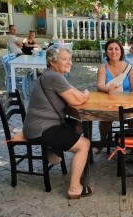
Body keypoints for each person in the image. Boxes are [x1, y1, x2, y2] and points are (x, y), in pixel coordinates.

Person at [22, 45, 92, 199]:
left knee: (79, 126)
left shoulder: (52, 75)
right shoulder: (54, 77)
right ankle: (75, 188)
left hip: (40, 125)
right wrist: (86, 93)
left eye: (69, 59)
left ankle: (53, 148)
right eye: (64, 59)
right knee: (84, 144)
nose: (69, 62)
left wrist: (81, 94)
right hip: (41, 129)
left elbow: (75, 92)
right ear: (52, 62)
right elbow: (79, 99)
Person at [96, 39, 133, 153]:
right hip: (109, 103)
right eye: (110, 49)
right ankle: (102, 141)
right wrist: (108, 89)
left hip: (127, 103)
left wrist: (128, 99)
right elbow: (100, 85)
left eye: (116, 49)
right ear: (106, 52)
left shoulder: (128, 67)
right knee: (105, 120)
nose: (113, 52)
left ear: (121, 52)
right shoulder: (103, 67)